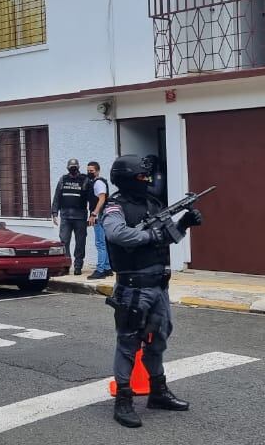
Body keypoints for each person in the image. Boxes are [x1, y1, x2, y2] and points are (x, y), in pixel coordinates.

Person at [102, 154, 202, 428]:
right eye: (141, 177)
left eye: (147, 177)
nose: (146, 181)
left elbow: (169, 237)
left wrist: (184, 223)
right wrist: (149, 236)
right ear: (125, 179)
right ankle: (123, 400)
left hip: (159, 286)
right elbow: (117, 234)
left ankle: (158, 392)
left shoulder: (153, 203)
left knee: (158, 340)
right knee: (128, 343)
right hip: (133, 287)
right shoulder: (114, 206)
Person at [51, 158, 91, 275]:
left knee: (80, 242)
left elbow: (91, 197)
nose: (73, 169)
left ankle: (78, 266)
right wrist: (54, 213)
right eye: (71, 167)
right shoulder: (63, 179)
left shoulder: (85, 180)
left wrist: (93, 214)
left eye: (75, 167)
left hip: (80, 217)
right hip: (65, 217)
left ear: (78, 167)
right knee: (64, 242)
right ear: (68, 168)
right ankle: (66, 266)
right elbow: (57, 197)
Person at [86, 161, 113, 280]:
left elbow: (101, 199)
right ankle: (107, 268)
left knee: (100, 243)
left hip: (100, 215)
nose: (89, 172)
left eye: (91, 171)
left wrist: (93, 214)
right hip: (102, 215)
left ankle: (100, 270)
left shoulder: (98, 183)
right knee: (103, 242)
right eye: (88, 170)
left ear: (97, 171)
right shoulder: (96, 182)